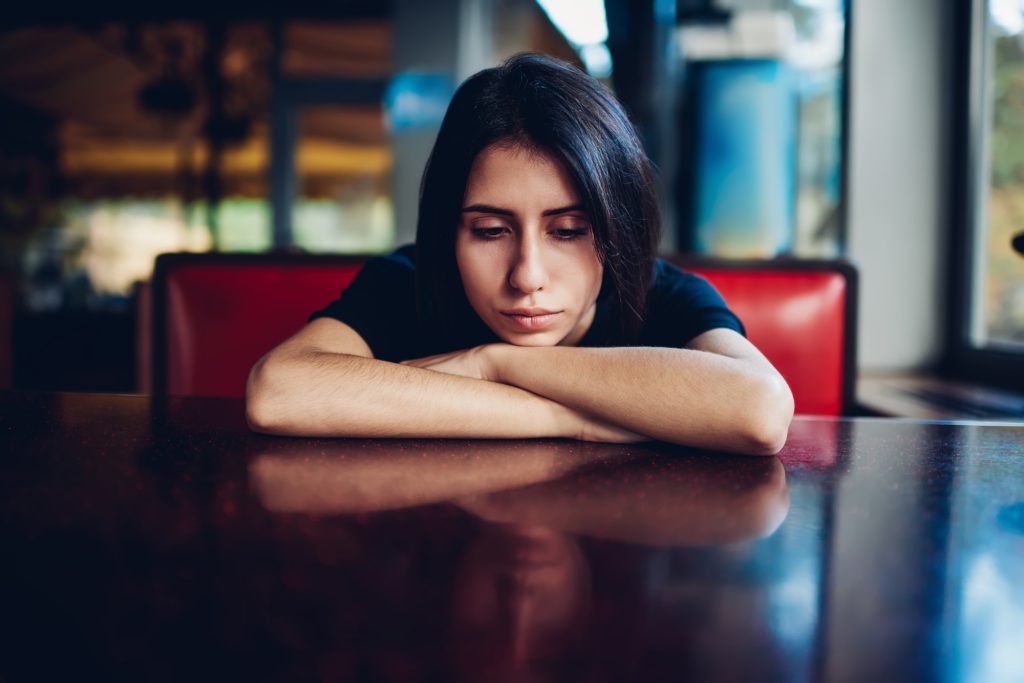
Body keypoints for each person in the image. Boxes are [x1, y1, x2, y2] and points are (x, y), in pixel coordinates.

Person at [245, 53, 794, 454]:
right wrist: (565, 418)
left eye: (569, 231)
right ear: (447, 231)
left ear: (616, 230)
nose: (527, 275)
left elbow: (761, 411)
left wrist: (495, 363)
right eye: (489, 230)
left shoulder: (663, 294)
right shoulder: (409, 280)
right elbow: (279, 391)